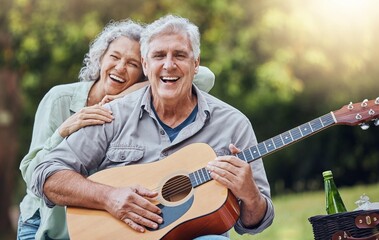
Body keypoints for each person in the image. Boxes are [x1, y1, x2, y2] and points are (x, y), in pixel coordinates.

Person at [31, 14, 274, 239]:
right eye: (159, 56)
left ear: (196, 63)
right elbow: (46, 174)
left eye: (179, 55)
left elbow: (254, 222)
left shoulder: (233, 124)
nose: (169, 65)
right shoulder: (113, 115)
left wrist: (250, 193)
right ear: (146, 66)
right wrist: (109, 197)